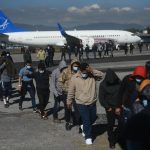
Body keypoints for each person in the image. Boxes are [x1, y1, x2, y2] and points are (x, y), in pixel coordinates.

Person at [67, 63, 103, 145]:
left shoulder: (92, 75)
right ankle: (88, 137)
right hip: (81, 102)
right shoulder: (74, 78)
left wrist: (92, 70)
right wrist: (69, 101)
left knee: (93, 118)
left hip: (92, 102)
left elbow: (102, 76)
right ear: (80, 70)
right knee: (86, 119)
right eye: (82, 70)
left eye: (85, 70)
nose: (84, 72)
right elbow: (71, 91)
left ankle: (84, 127)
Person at [99, 69, 122, 149]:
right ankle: (112, 141)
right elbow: (101, 98)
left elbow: (122, 95)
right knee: (110, 124)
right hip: (109, 108)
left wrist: (119, 107)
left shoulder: (119, 83)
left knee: (122, 123)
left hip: (119, 106)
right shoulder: (103, 85)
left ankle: (119, 136)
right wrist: (107, 107)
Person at [58, 59, 80, 130]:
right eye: (75, 65)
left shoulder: (80, 72)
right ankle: (68, 122)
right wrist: (65, 89)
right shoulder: (66, 71)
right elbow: (60, 82)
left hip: (76, 94)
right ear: (72, 65)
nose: (76, 67)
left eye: (77, 65)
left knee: (78, 108)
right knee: (68, 108)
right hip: (67, 93)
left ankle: (79, 122)